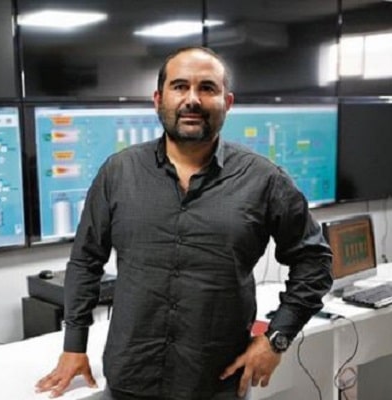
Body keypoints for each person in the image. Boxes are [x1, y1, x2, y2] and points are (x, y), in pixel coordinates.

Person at [35, 46, 333, 400]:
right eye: (180, 86)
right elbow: (86, 260)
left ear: (227, 102)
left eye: (207, 88)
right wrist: (74, 346)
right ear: (158, 99)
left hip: (217, 383)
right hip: (131, 378)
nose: (192, 99)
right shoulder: (119, 173)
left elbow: (314, 262)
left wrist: (276, 339)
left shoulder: (264, 180)